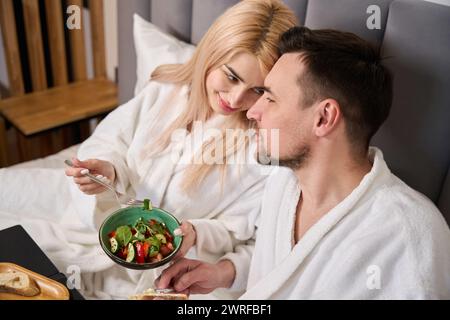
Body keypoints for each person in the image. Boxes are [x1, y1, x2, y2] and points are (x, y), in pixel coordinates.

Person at [0, 0, 296, 300]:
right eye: (231, 77)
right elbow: (112, 140)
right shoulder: (166, 90)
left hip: (172, 273)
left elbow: (254, 238)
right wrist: (109, 169)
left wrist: (196, 233)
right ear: (211, 54)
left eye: (257, 90)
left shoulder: (264, 149)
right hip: (97, 238)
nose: (235, 99)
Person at [155, 26, 450, 299]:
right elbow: (287, 271)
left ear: (323, 118)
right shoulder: (283, 184)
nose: (251, 111)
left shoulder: (410, 237)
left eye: (269, 98)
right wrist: (224, 273)